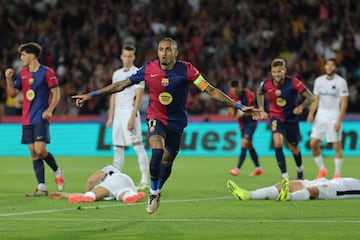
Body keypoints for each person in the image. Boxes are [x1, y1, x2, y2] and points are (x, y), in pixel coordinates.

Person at [72, 37, 259, 214]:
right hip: (156, 118)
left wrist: (240, 106)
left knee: (168, 161)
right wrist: (91, 95)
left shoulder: (187, 70)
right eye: (161, 49)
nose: (163, 53)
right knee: (157, 151)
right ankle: (153, 193)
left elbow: (210, 90)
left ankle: (158, 188)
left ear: (175, 53)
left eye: (168, 49)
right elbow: (121, 85)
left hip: (176, 123)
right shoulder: (149, 69)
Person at [5, 42, 65, 196]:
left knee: (40, 150)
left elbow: (56, 94)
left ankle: (57, 171)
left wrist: (50, 109)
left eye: (23, 55)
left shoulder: (47, 72)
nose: (21, 58)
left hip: (41, 116)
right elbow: (12, 94)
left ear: (32, 55)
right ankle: (42, 187)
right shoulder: (22, 74)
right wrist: (9, 79)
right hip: (26, 119)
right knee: (33, 153)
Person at [257, 58, 313, 180]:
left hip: (291, 119)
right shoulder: (266, 84)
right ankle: (285, 177)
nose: (277, 74)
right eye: (274, 72)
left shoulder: (293, 82)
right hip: (276, 117)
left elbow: (310, 97)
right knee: (277, 142)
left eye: (279, 71)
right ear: (271, 72)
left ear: (285, 71)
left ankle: (300, 170)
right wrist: (261, 109)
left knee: (294, 148)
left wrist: (301, 106)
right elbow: (259, 92)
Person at [105, 44, 149, 190]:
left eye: (130, 56)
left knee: (137, 146)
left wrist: (132, 116)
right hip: (118, 116)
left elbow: (139, 96)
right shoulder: (116, 74)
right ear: (121, 57)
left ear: (134, 57)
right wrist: (110, 116)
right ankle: (115, 179)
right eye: (125, 55)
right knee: (118, 148)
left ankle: (144, 180)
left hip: (130, 114)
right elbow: (113, 95)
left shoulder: (137, 73)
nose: (127, 58)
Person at [306, 58, 349, 179]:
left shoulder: (341, 82)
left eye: (332, 65)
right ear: (324, 67)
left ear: (335, 68)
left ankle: (337, 174)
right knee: (313, 144)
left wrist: (339, 120)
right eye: (327, 65)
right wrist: (311, 114)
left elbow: (344, 103)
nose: (329, 67)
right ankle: (322, 169)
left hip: (334, 117)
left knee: (337, 147)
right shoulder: (319, 81)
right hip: (320, 117)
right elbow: (316, 100)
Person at [49, 165, 145, 203]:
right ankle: (131, 196)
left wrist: (87, 193)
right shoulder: (116, 173)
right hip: (129, 183)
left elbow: (90, 180)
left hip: (114, 180)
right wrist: (64, 195)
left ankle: (89, 197)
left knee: (93, 194)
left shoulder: (108, 170)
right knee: (121, 194)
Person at [228, 80, 263, 177]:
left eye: (237, 90)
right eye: (233, 91)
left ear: (240, 87)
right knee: (249, 145)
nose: (235, 92)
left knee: (244, 143)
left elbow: (252, 111)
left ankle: (237, 169)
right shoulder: (230, 96)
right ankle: (258, 168)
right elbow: (231, 114)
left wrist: (242, 112)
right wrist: (234, 110)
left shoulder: (249, 94)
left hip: (251, 122)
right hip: (242, 124)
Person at [227, 177, 360, 201]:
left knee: (313, 190)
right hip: (331, 180)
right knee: (290, 184)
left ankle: (289, 197)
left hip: (339, 189)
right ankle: (247, 194)